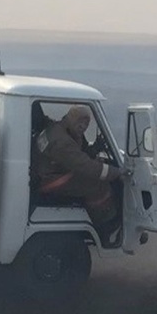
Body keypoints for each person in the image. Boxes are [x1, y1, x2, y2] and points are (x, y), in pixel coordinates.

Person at [32, 105, 123, 245]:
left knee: (93, 174)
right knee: (96, 184)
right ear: (71, 119)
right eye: (80, 122)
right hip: (49, 179)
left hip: (52, 172)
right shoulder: (62, 141)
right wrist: (116, 173)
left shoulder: (60, 129)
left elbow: (77, 156)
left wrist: (95, 149)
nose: (83, 127)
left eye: (86, 123)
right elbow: (84, 165)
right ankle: (105, 227)